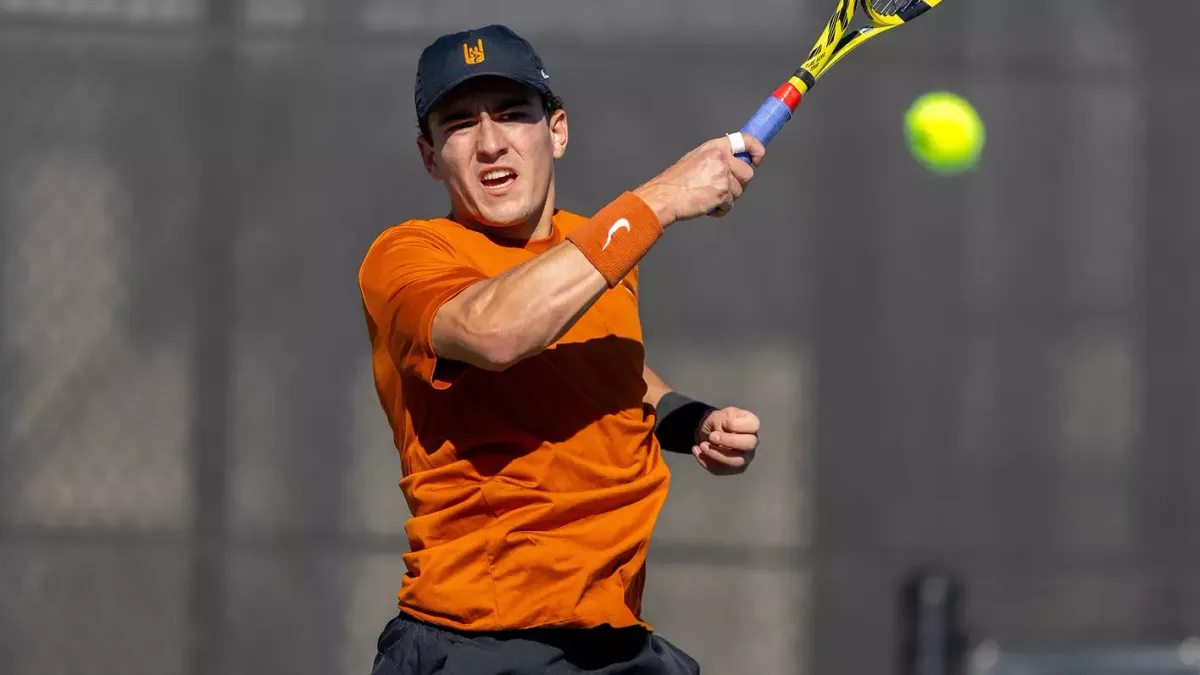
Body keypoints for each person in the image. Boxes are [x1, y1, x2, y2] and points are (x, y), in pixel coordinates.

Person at [358, 23, 766, 675]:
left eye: (514, 114)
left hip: (615, 640)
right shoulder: (407, 256)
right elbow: (497, 332)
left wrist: (691, 421)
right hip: (478, 645)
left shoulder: (598, 249)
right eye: (459, 124)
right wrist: (661, 199)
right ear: (430, 155)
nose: (490, 142)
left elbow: (606, 362)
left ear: (558, 131)